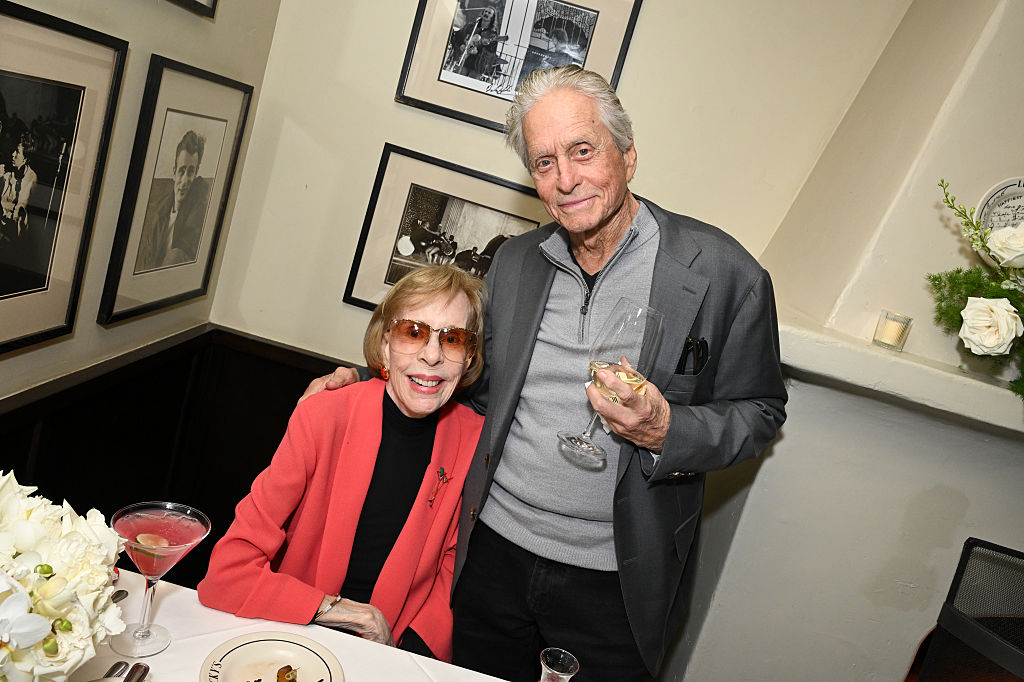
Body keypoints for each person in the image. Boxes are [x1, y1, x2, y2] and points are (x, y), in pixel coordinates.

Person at [303, 65, 787, 681]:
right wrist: (371, 390)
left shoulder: (724, 273)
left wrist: (667, 429)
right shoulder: (516, 260)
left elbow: (761, 412)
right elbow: (476, 388)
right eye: (544, 162)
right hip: (488, 557)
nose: (565, 179)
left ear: (628, 155)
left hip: (615, 576)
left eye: (583, 152)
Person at [199, 265, 486, 662]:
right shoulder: (323, 416)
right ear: (385, 343)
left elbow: (453, 566)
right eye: (413, 332)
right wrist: (337, 611)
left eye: (452, 339)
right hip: (291, 641)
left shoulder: (475, 440)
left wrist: (406, 657)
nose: (432, 355)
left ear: (469, 356)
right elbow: (227, 574)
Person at [135, 130, 210, 272]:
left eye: (191, 171)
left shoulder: (199, 203)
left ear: (196, 174)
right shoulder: (160, 209)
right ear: (174, 172)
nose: (185, 180)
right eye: (182, 171)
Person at [0, 133, 38, 245]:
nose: (13, 154)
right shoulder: (5, 173)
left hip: (17, 233)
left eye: (17, 152)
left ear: (25, 159)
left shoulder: (32, 179)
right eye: (14, 151)